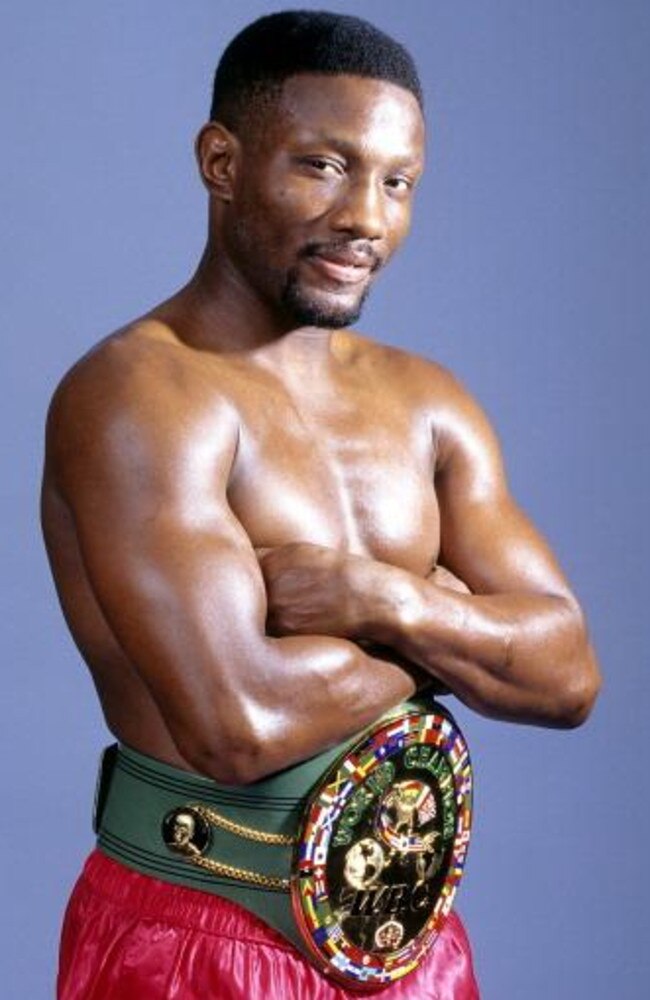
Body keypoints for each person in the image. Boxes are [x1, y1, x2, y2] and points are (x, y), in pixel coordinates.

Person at [41, 10, 601, 1000]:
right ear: (221, 161)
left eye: (396, 183)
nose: (366, 219)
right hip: (197, 943)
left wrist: (384, 599)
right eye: (323, 167)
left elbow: (567, 677)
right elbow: (238, 723)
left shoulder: (430, 404)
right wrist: (464, 638)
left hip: (416, 949)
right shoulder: (138, 397)